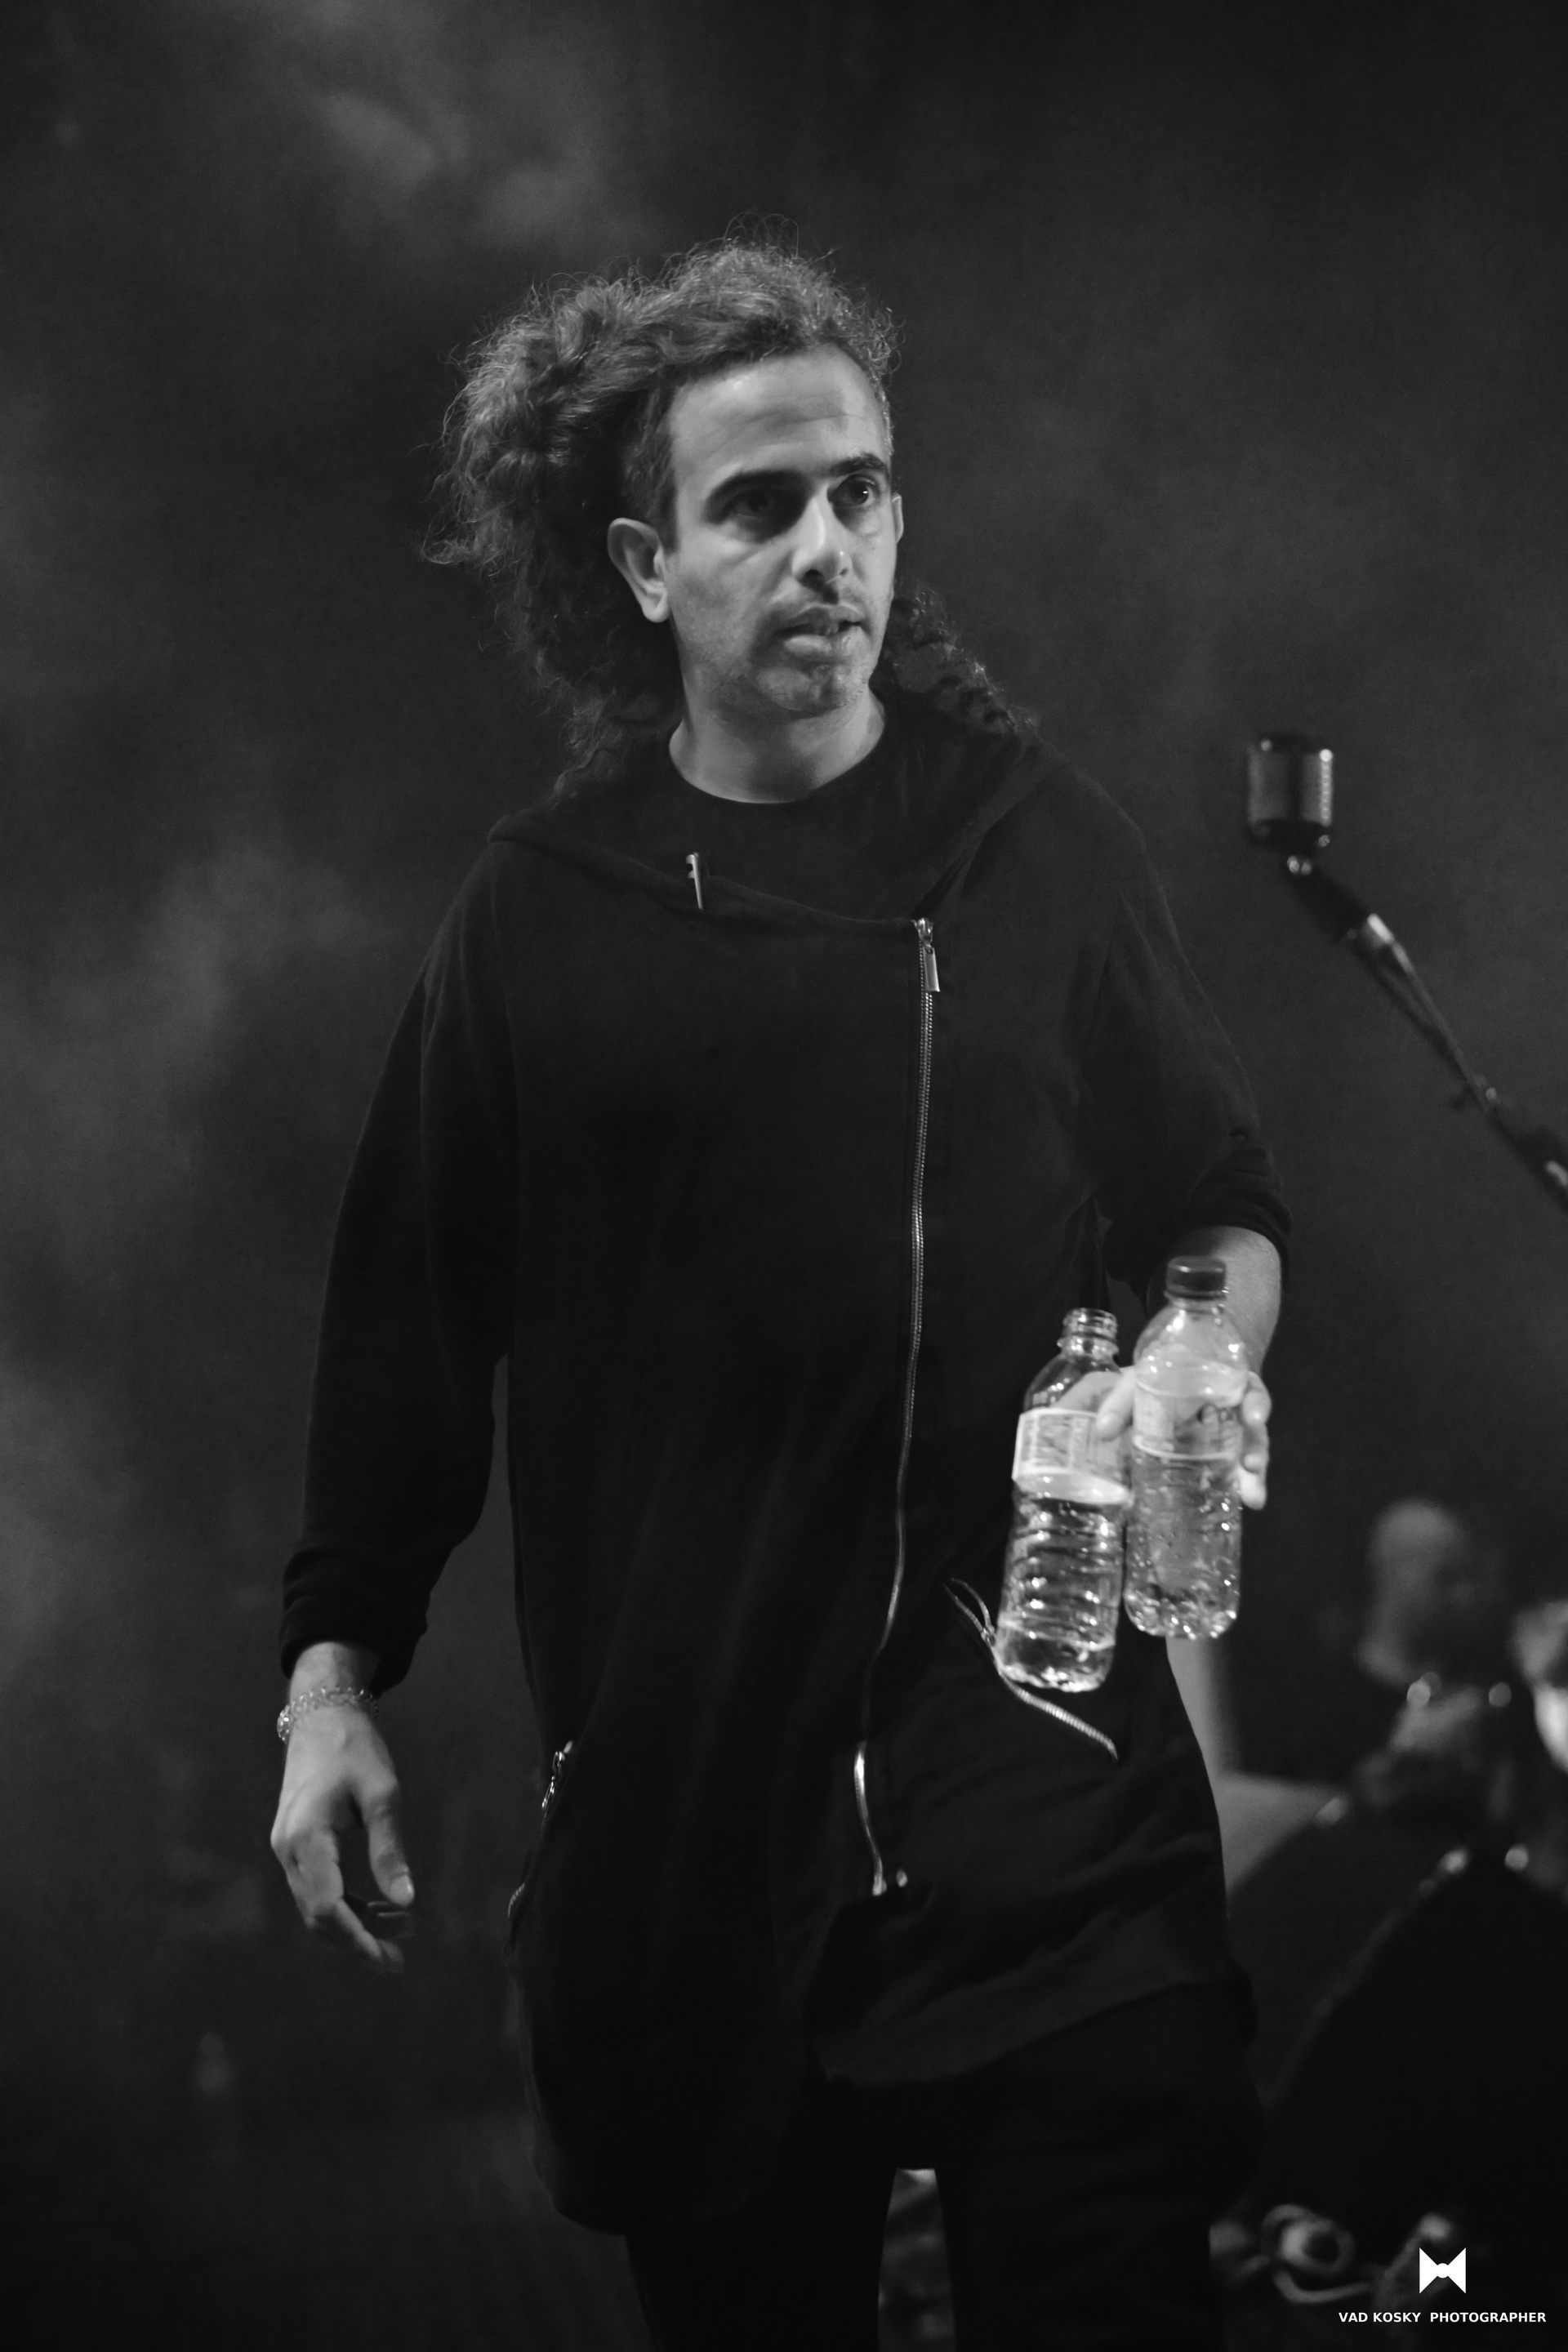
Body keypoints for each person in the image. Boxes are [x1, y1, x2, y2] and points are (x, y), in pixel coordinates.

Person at [270, 239, 1288, 2350]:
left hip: (1044, 1784)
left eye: (864, 492)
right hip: (698, 1827)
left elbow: (1216, 1201)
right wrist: (330, 1685)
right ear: (647, 567)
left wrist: (1201, 1340)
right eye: (761, 505)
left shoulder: (1040, 849)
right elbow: (404, 1334)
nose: (831, 547)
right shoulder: (542, 914)